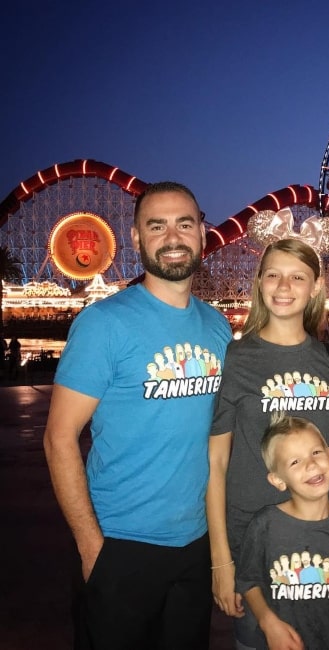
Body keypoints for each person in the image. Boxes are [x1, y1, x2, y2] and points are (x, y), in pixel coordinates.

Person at [43, 181, 232, 650]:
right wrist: (91, 548)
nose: (173, 236)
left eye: (184, 224)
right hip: (120, 543)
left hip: (195, 545)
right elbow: (59, 438)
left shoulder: (218, 326)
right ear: (135, 238)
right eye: (157, 225)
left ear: (203, 233)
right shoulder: (105, 323)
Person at [207, 208, 329, 649]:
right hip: (255, 539)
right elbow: (216, 462)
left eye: (298, 277)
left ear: (317, 286)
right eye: (273, 275)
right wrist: (221, 559)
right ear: (259, 282)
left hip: (325, 534)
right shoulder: (238, 359)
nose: (284, 287)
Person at [236, 412, 329, 649]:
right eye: (295, 462)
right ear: (277, 480)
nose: (311, 464)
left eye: (316, 453)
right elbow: (247, 581)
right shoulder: (265, 525)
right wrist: (267, 621)